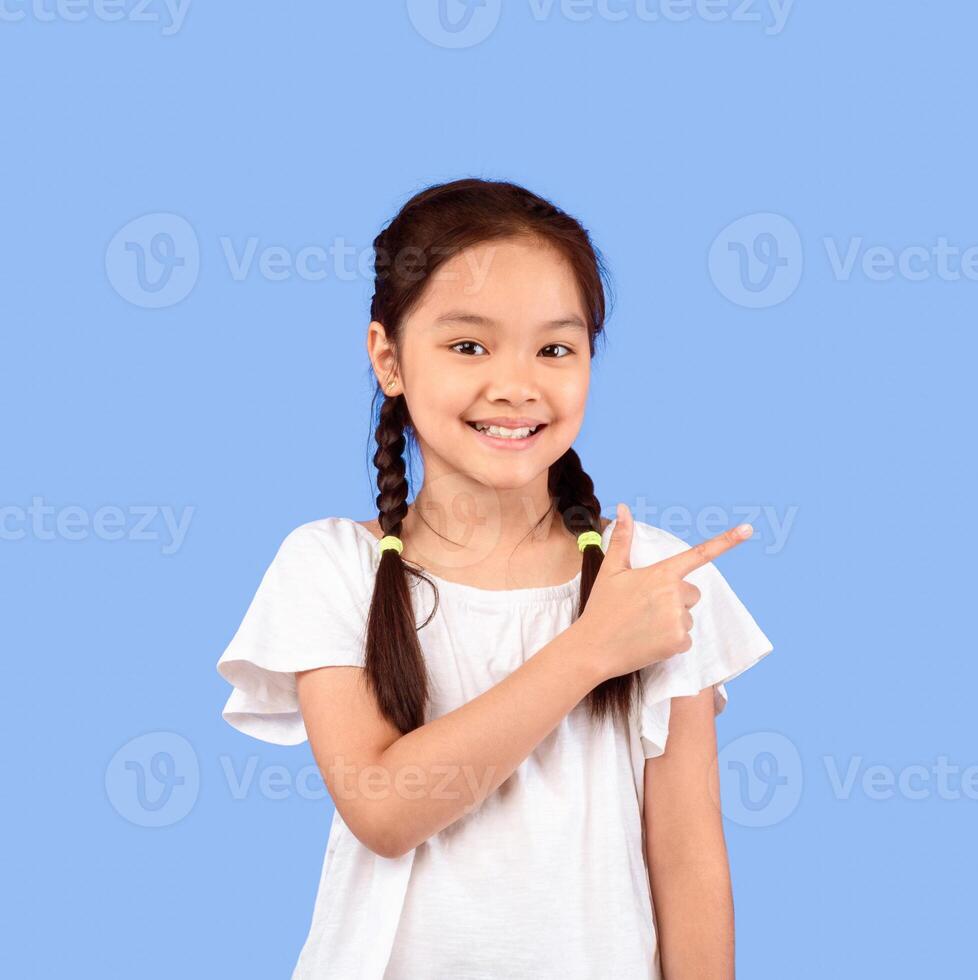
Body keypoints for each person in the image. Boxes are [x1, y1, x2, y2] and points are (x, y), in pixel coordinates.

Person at [214, 177, 773, 979]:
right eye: (468, 345)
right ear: (388, 359)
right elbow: (383, 809)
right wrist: (588, 652)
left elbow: (688, 861)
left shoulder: (646, 573)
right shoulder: (329, 564)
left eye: (555, 348)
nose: (516, 385)